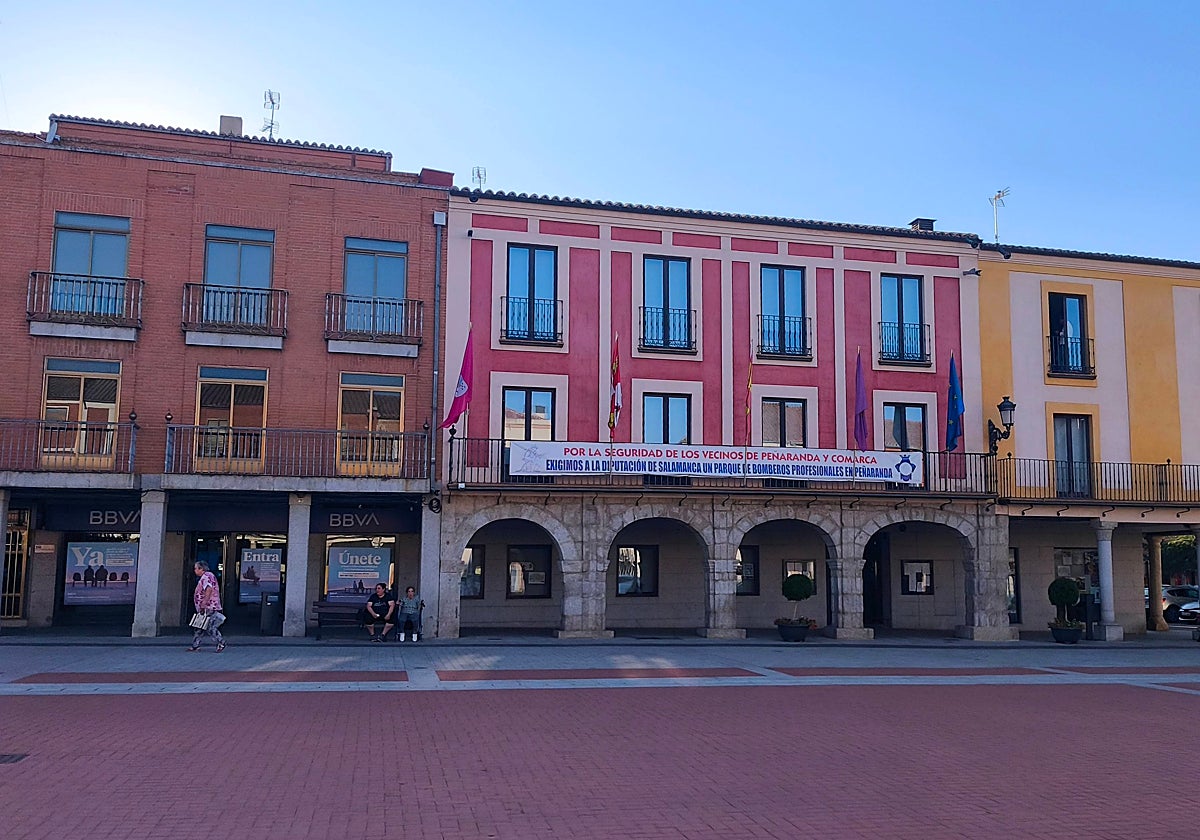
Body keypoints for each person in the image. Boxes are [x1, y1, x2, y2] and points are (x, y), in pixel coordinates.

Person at [188, 560, 226, 653]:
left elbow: (208, 589)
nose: (194, 570)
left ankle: (221, 642)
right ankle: (195, 645)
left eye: (196, 568)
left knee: (209, 627)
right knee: (199, 626)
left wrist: (203, 604)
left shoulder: (206, 577)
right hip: (206, 607)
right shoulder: (208, 576)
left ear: (201, 569)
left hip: (208, 607)